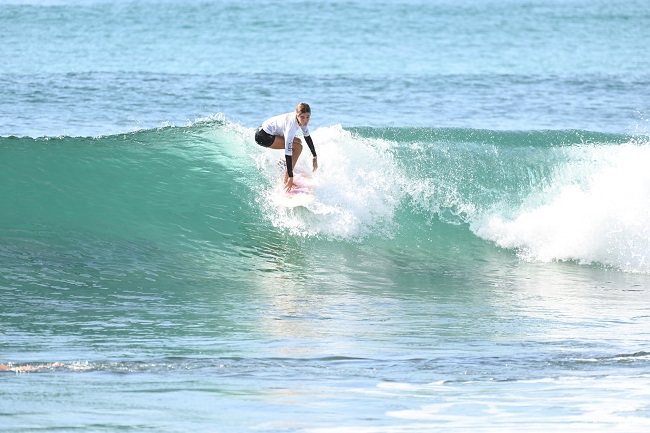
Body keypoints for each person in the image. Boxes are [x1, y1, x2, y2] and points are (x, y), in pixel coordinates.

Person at [255, 102, 318, 191]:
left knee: (298, 141)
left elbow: (307, 137)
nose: (305, 120)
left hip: (266, 131)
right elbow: (288, 153)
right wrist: (291, 177)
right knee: (298, 148)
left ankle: (284, 165)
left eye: (308, 117)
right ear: (297, 115)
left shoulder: (300, 121)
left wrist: (314, 156)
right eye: (302, 117)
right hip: (263, 136)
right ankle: (286, 180)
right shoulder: (291, 126)